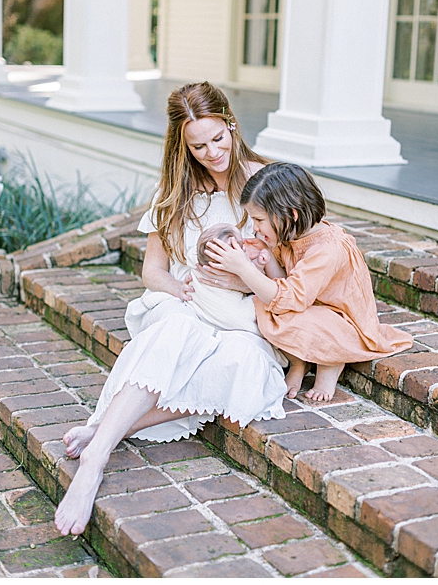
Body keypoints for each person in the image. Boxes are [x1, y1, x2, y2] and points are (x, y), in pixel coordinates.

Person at [54, 81, 289, 537]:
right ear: (182, 144)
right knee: (176, 332)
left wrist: (245, 275)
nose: (211, 152)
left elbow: (286, 276)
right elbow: (152, 271)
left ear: (231, 125)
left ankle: (106, 428)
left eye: (218, 139)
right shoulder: (175, 190)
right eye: (198, 145)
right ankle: (95, 460)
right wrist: (178, 287)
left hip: (245, 316)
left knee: (242, 364)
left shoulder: (266, 180)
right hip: (188, 303)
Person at [204, 162, 413, 402]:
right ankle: (299, 362)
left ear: (291, 214)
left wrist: (243, 268)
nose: (255, 227)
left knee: (272, 305)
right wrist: (268, 255)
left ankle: (330, 363)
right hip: (311, 310)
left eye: (259, 220)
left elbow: (289, 297)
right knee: (265, 305)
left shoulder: (328, 248)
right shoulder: (292, 233)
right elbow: (284, 281)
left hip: (341, 323)